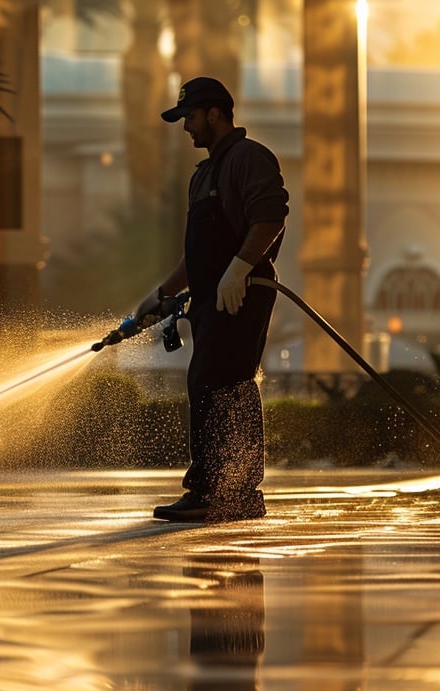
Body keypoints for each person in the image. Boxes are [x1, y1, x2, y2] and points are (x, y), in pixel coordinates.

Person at [138, 76, 289, 523]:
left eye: (190, 117)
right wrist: (163, 294)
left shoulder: (248, 158)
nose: (186, 127)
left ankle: (227, 491)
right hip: (210, 297)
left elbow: (271, 216)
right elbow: (196, 252)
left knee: (225, 383)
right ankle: (227, 490)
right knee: (208, 385)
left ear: (216, 114)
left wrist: (240, 268)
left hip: (243, 291)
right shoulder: (203, 174)